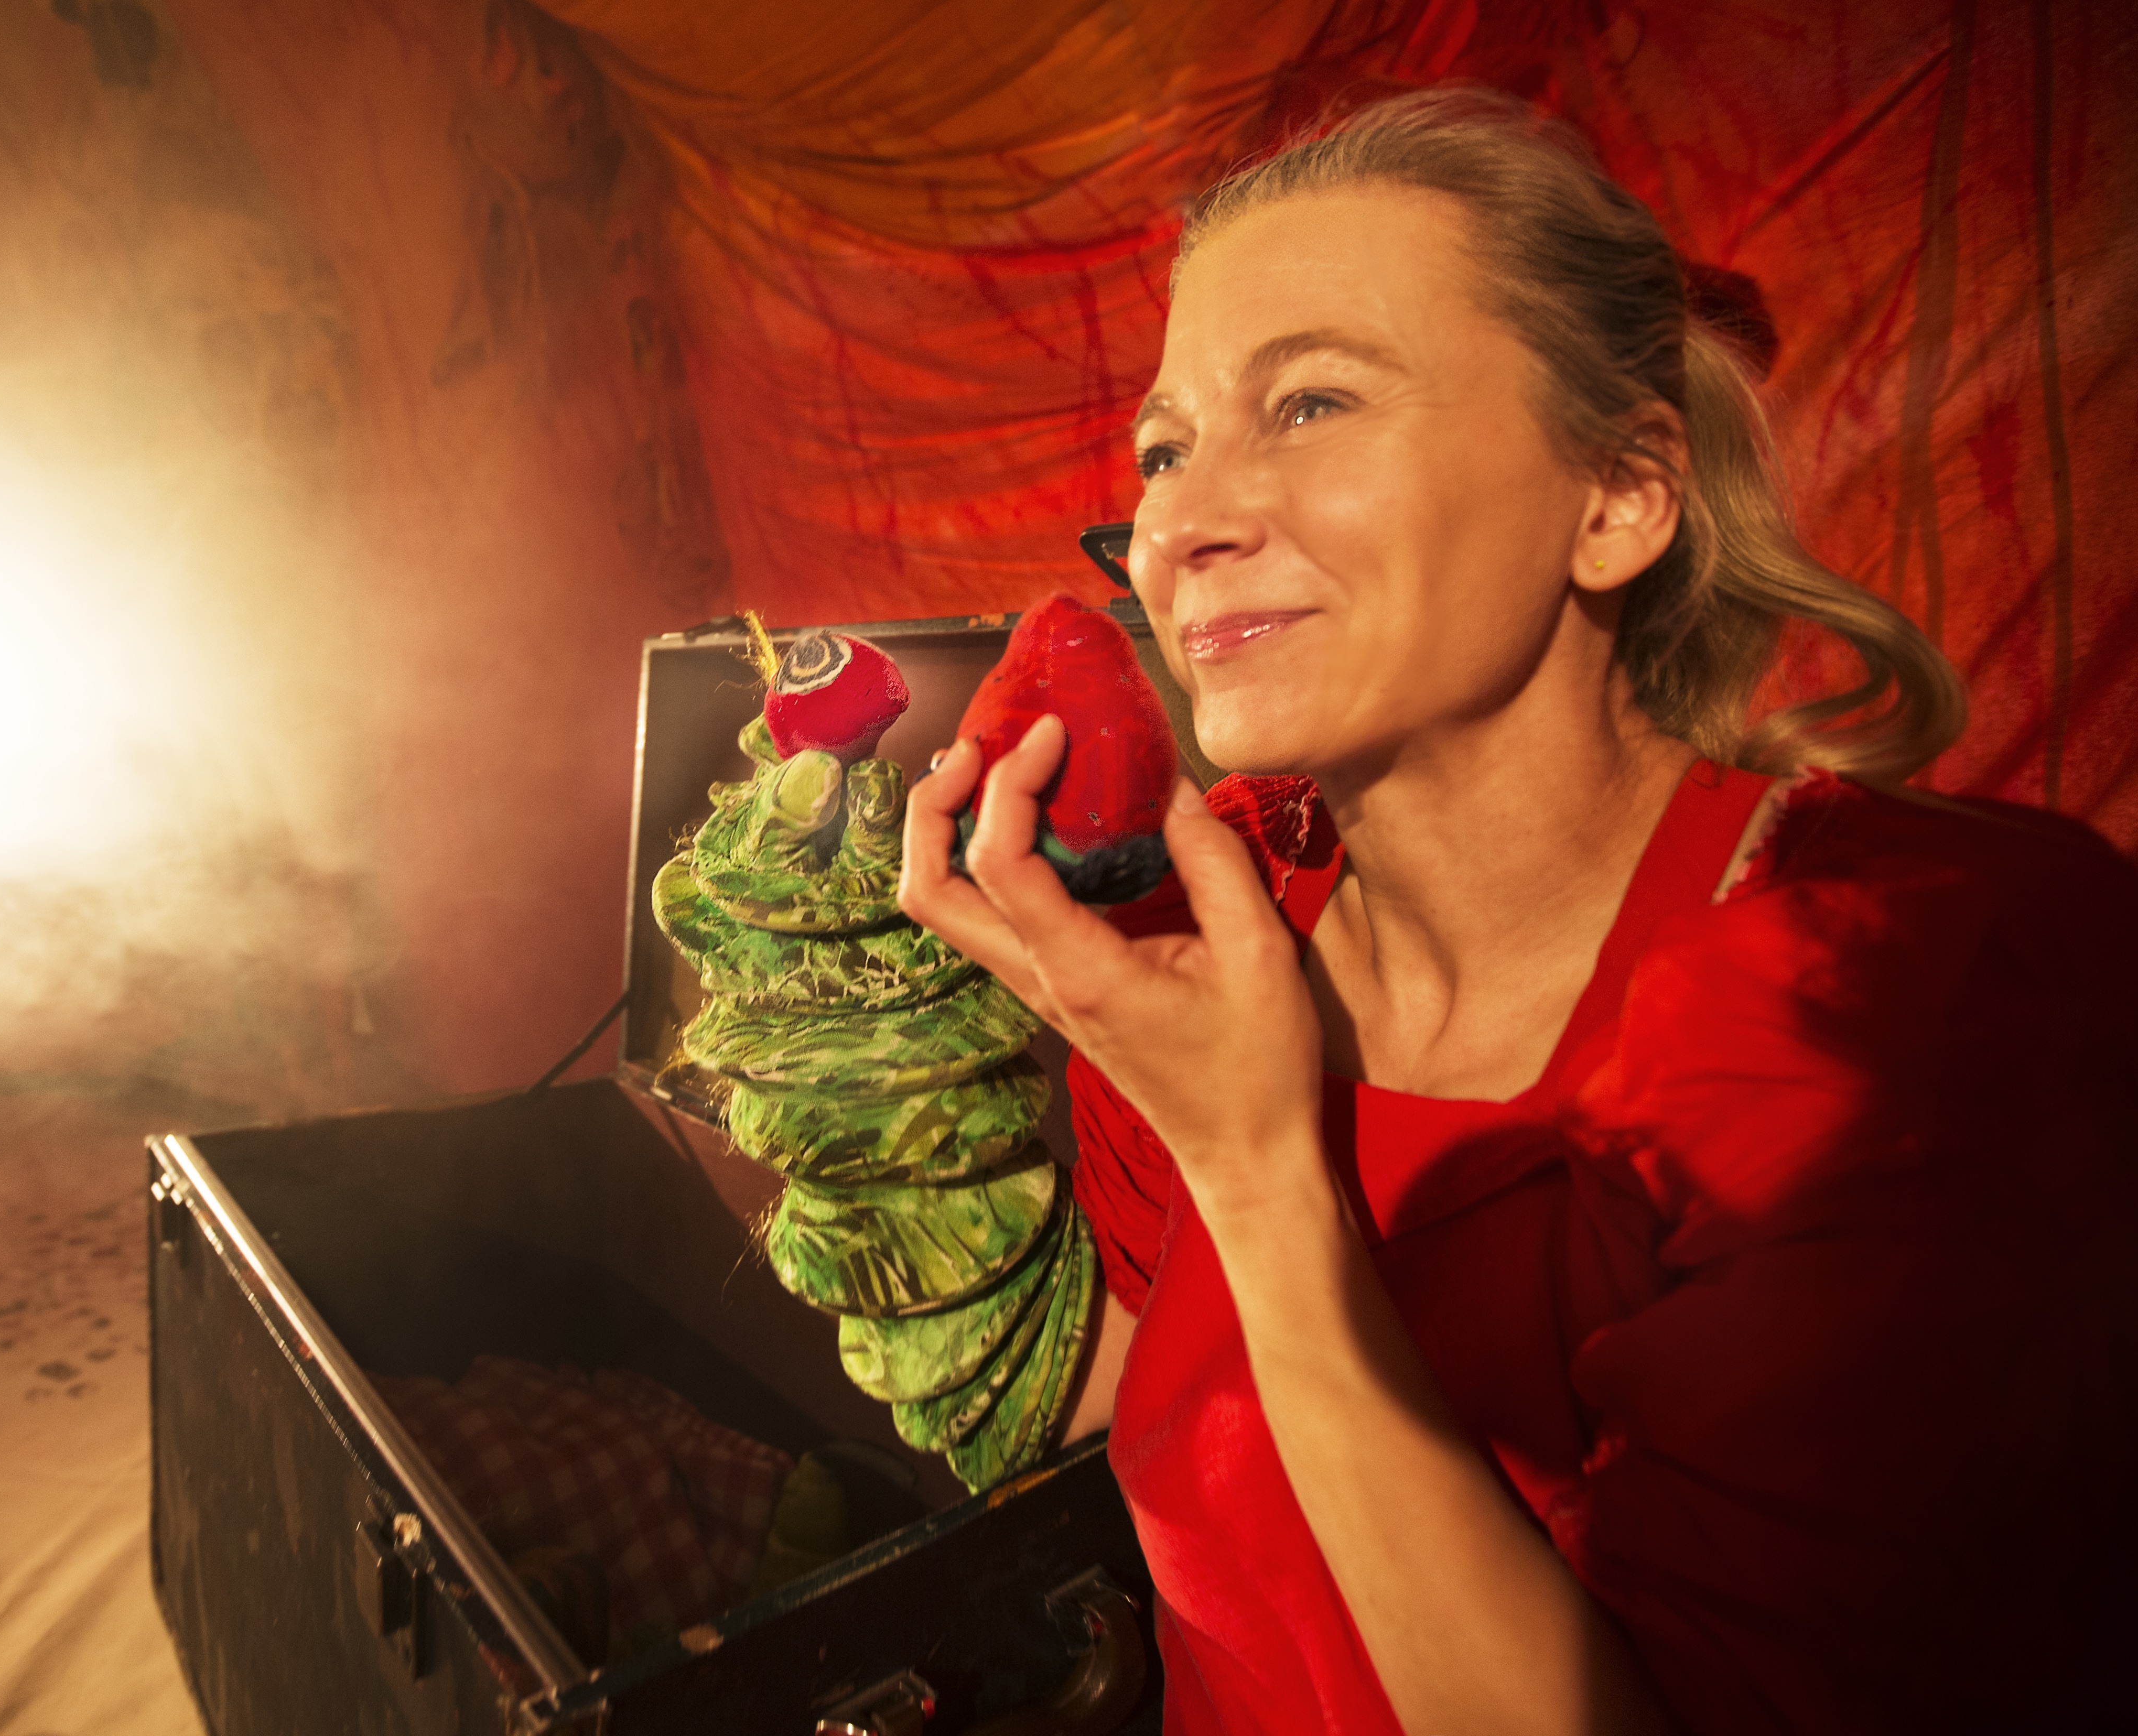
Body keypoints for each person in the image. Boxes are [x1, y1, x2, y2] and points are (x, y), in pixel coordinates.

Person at [897, 88, 2138, 1736]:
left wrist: (1260, 1174)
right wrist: (896, 1125)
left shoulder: (1911, 1002)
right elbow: (1149, 1454)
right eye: (1166, 451)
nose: (1179, 530)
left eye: (1313, 402)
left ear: (1619, 497)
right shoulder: (1220, 917)